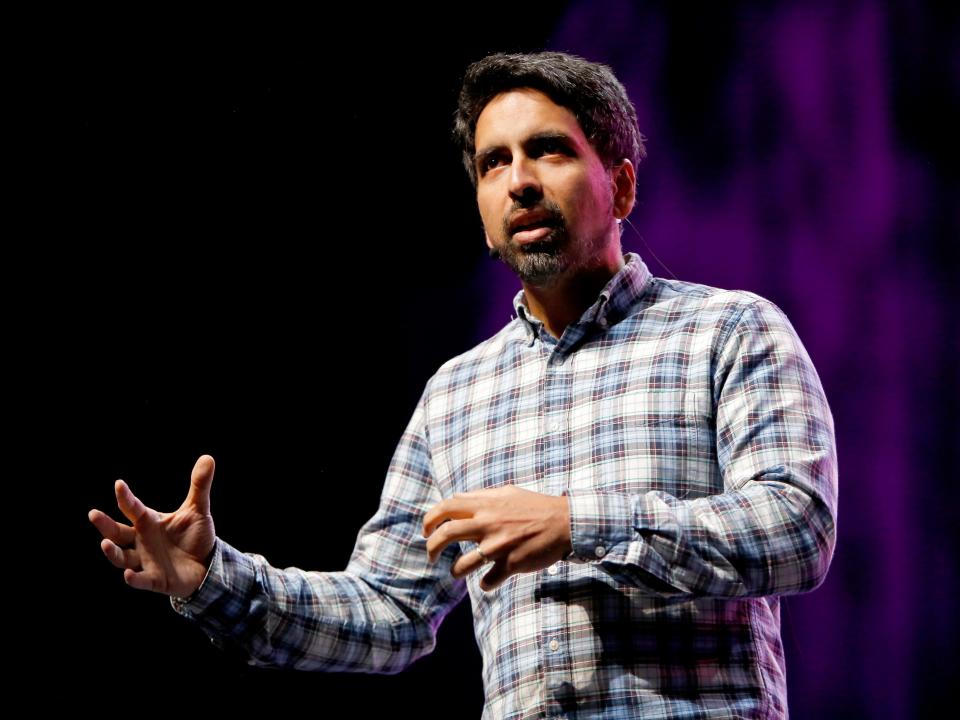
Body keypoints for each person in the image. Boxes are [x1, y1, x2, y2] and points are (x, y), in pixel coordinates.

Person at [88, 51, 838, 718]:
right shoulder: (455, 394)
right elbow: (387, 612)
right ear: (481, 214)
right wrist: (212, 580)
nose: (519, 182)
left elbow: (797, 529)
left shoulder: (729, 332)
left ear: (622, 184)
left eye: (548, 151)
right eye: (493, 163)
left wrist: (578, 525)